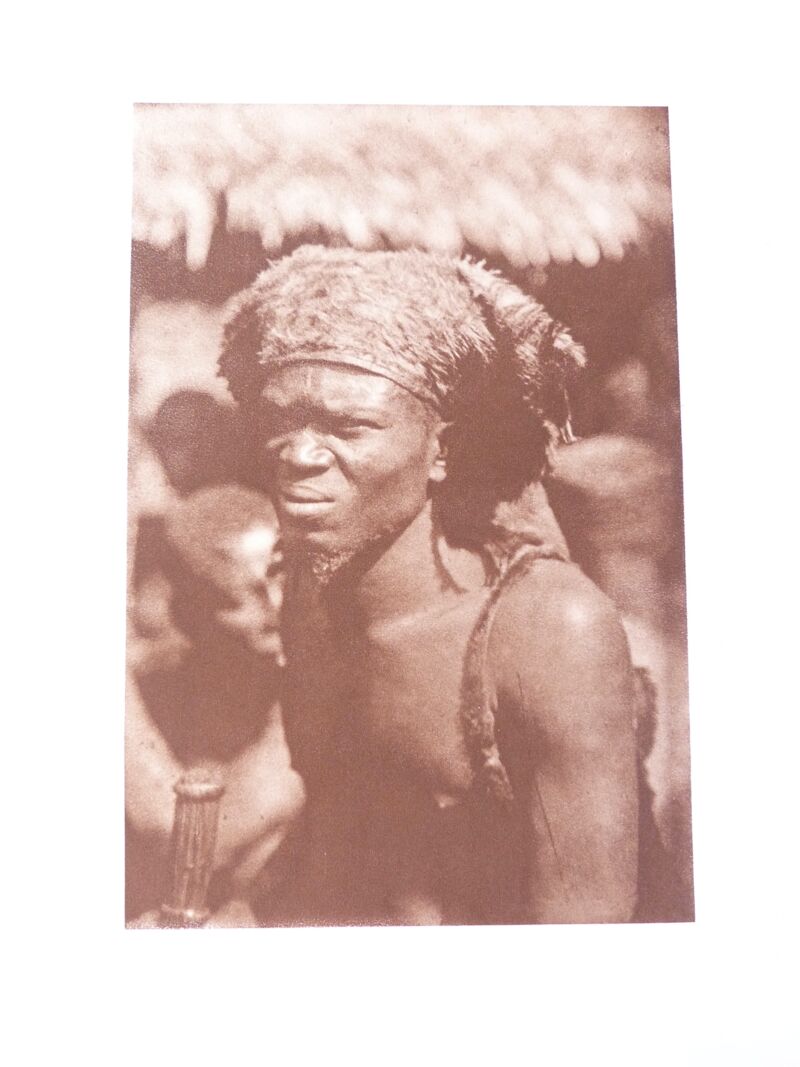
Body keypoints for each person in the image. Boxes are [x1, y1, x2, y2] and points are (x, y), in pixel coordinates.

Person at [217, 245, 668, 925]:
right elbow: (330, 845)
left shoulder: (545, 631)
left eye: (349, 427)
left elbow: (582, 952)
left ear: (442, 450)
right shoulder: (312, 599)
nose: (299, 457)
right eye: (280, 424)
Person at [126, 484, 304, 927]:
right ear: (188, 614)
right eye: (245, 597)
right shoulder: (159, 685)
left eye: (282, 580)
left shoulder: (309, 698)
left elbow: (193, 846)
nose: (278, 608)